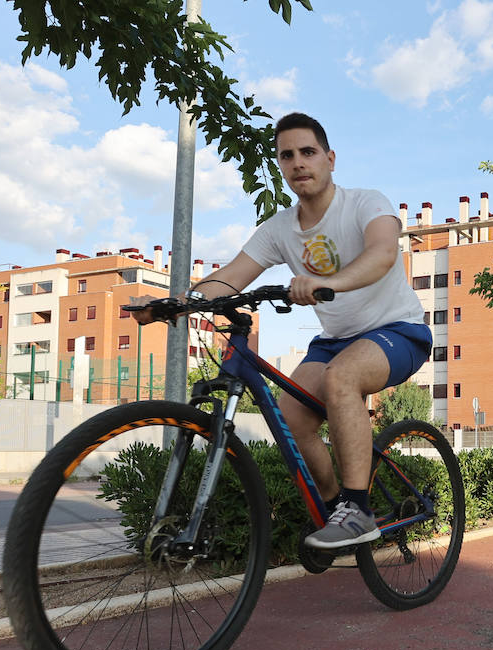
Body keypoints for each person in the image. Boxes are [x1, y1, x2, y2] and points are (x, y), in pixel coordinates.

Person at [134, 112, 430, 548]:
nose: (298, 163)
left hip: (397, 331)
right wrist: (177, 304)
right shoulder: (279, 229)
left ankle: (359, 510)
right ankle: (337, 512)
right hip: (335, 341)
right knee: (291, 418)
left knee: (341, 378)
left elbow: (383, 253)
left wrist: (329, 282)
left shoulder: (366, 203)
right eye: (286, 155)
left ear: (329, 159)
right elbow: (231, 276)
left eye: (308, 152)